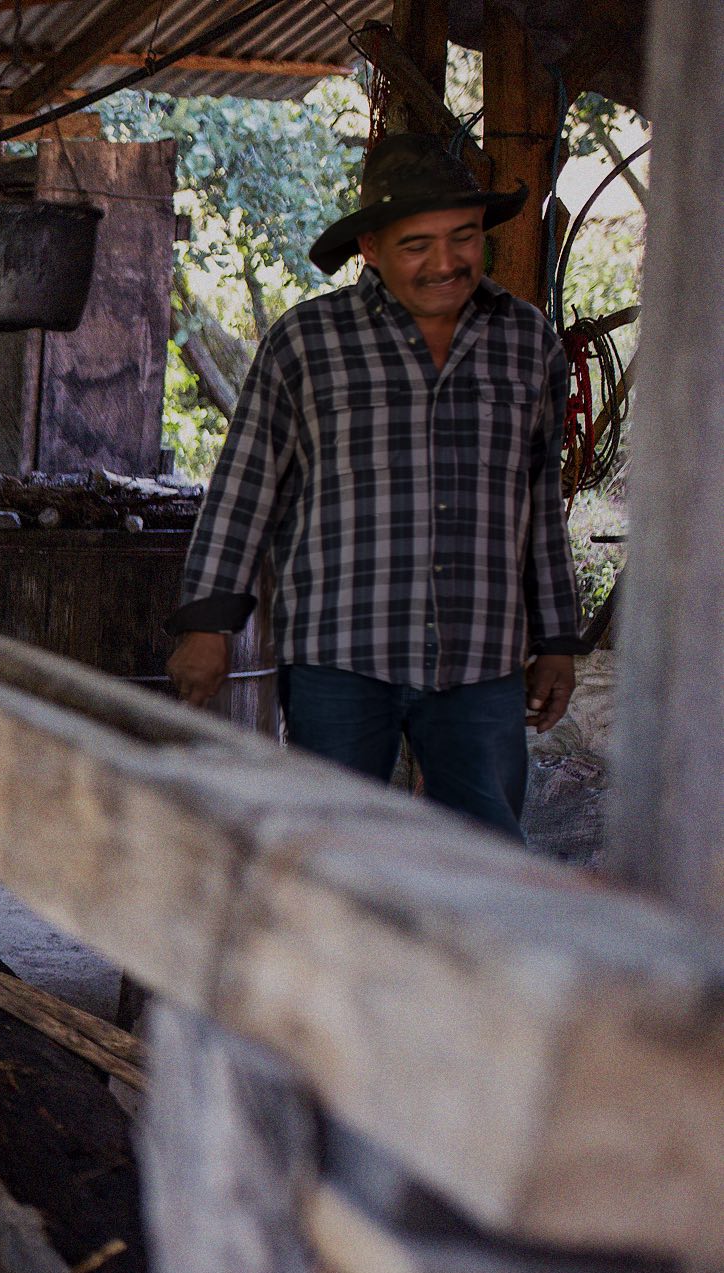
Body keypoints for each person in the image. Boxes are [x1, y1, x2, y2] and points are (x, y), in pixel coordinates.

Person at [165, 132, 585, 840]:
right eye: (417, 245)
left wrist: (557, 640)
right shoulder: (307, 342)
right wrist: (207, 625)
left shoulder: (527, 341)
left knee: (483, 851)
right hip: (341, 650)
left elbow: (540, 502)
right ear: (370, 248)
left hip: (481, 652)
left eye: (464, 237)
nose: (446, 263)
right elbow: (244, 488)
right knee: (331, 848)